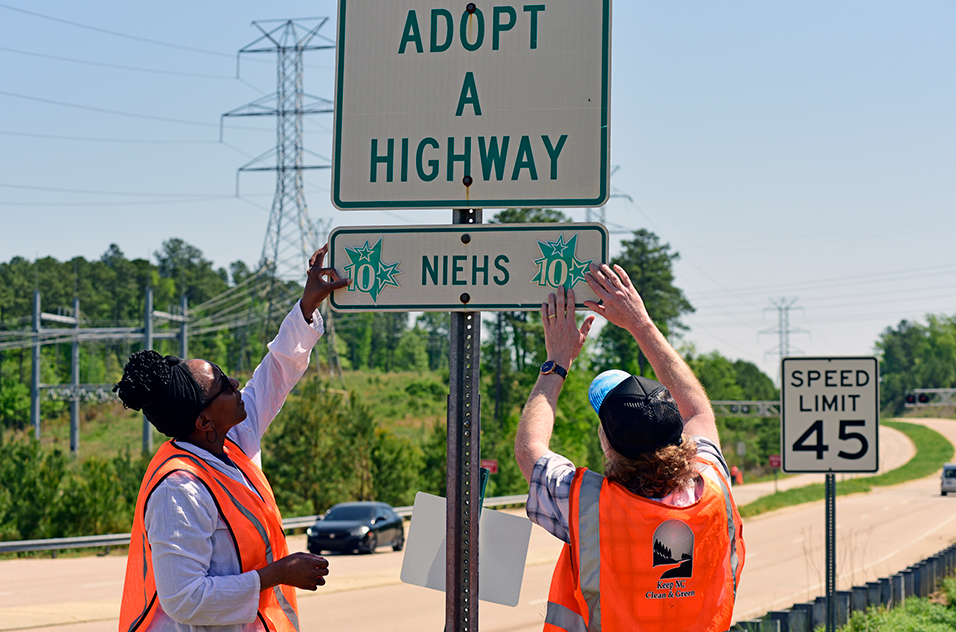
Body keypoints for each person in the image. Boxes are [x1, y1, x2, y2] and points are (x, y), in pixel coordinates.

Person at [114, 245, 349, 632]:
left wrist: (306, 307)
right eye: (224, 385)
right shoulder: (179, 491)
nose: (237, 383)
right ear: (205, 421)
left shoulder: (230, 442)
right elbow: (184, 600)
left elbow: (276, 373)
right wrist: (278, 573)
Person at [514, 262, 745, 632]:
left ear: (608, 444)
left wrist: (557, 361)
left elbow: (529, 448)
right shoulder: (714, 488)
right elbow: (699, 409)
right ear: (679, 437)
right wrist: (641, 323)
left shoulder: (587, 506)